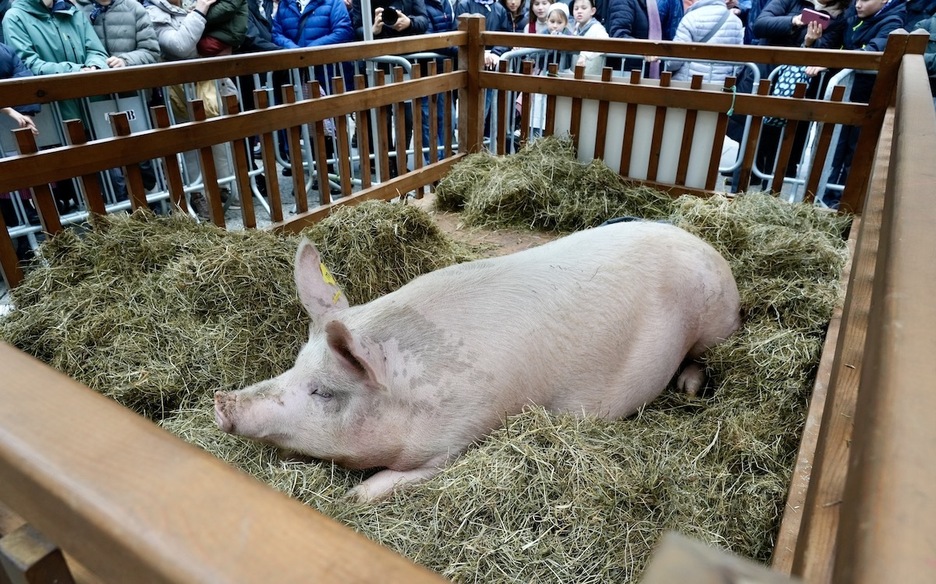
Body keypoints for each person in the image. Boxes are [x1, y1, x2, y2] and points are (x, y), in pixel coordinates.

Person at [803, 0, 906, 207]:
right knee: (831, 148)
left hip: (867, 100)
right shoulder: (852, 17)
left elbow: (871, 53)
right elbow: (832, 46)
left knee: (853, 152)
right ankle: (821, 198)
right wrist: (812, 42)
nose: (859, 4)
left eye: (865, 0)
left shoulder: (893, 22)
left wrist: (832, 62)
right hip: (844, 96)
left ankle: (842, 205)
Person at [667, 0, 744, 83]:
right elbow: (739, 61)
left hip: (688, 83)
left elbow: (676, 60)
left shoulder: (690, 17)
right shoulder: (736, 21)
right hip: (721, 85)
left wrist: (665, 66)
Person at [73, 0, 161, 68]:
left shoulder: (134, 8)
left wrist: (125, 61)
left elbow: (151, 52)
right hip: (92, 84)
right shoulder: (75, 12)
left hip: (130, 82)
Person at [606, 0, 684, 76]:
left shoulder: (648, 2)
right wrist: (645, 49)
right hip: (629, 73)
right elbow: (618, 35)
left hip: (644, 69)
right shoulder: (622, 2)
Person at [572, 0, 609, 75]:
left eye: (584, 8)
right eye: (576, 8)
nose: (579, 11)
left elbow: (604, 43)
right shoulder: (574, 29)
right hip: (575, 75)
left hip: (593, 77)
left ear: (592, 11)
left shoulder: (597, 28)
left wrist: (585, 55)